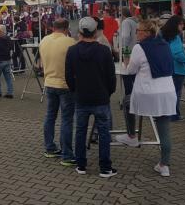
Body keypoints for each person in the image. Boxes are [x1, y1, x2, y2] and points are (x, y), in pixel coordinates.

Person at [120, 20, 177, 177]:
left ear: (146, 32)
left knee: (126, 102)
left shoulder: (139, 47)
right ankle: (164, 165)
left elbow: (131, 70)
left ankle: (131, 135)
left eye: (138, 30)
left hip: (147, 92)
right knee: (164, 129)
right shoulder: (165, 45)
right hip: (167, 92)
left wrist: (126, 62)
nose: (136, 32)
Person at [65, 17, 117, 178]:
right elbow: (111, 76)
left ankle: (81, 165)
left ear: (80, 31)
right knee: (103, 133)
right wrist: (108, 92)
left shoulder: (72, 51)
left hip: (81, 97)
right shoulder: (103, 51)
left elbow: (68, 76)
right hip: (101, 97)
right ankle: (105, 167)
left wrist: (75, 91)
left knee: (80, 131)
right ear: (95, 31)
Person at [39, 19, 76, 164]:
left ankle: (49, 147)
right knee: (66, 120)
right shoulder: (70, 42)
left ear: (53, 27)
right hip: (65, 85)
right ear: (66, 28)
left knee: (50, 116)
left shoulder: (44, 40)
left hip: (49, 82)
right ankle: (67, 154)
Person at [161, 16, 185, 122]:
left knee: (168, 93)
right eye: (181, 24)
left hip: (166, 68)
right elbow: (177, 55)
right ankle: (174, 114)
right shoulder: (175, 37)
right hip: (177, 69)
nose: (183, 26)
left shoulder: (163, 36)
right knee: (176, 93)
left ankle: (166, 113)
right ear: (175, 25)